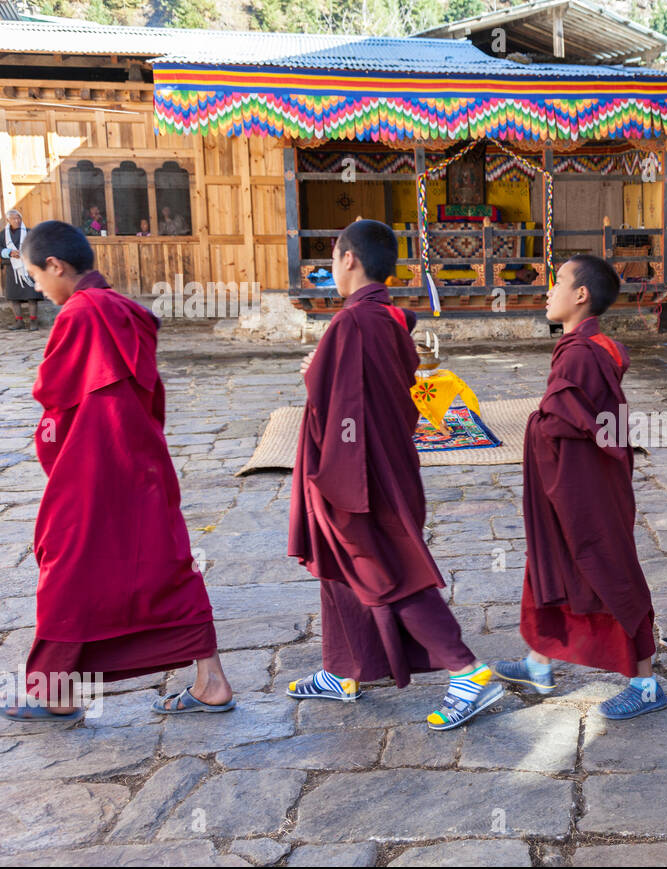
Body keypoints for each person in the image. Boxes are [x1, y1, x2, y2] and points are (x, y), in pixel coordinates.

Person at [3, 221, 234, 723]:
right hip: (143, 463)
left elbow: (52, 392)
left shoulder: (81, 315)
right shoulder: (127, 311)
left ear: (56, 266)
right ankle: (210, 679)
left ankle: (57, 693)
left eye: (37, 279)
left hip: (94, 468)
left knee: (64, 566)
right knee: (165, 565)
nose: (39, 290)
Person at [287, 219, 499, 731]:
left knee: (385, 566)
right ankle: (346, 667)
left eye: (332, 259)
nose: (331, 269)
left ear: (348, 259)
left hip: (361, 471)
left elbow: (340, 404)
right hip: (384, 459)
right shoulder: (385, 317)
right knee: (340, 561)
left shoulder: (354, 323)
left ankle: (468, 672)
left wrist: (334, 475)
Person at [491, 255, 661, 719]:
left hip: (585, 485)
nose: (548, 290)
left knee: (607, 566)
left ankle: (646, 684)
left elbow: (569, 420)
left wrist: (538, 425)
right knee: (552, 560)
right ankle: (538, 664)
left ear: (581, 295)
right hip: (572, 478)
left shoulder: (585, 353)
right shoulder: (588, 346)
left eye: (558, 282)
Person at [2, 209, 41, 331]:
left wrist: (24, 252)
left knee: (32, 296)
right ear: (8, 220)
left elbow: (36, 246)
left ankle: (33, 322)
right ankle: (19, 322)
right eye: (14, 218)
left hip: (27, 267)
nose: (17, 220)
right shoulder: (3, 234)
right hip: (12, 268)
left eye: (19, 218)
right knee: (14, 297)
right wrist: (9, 252)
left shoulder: (29, 232)